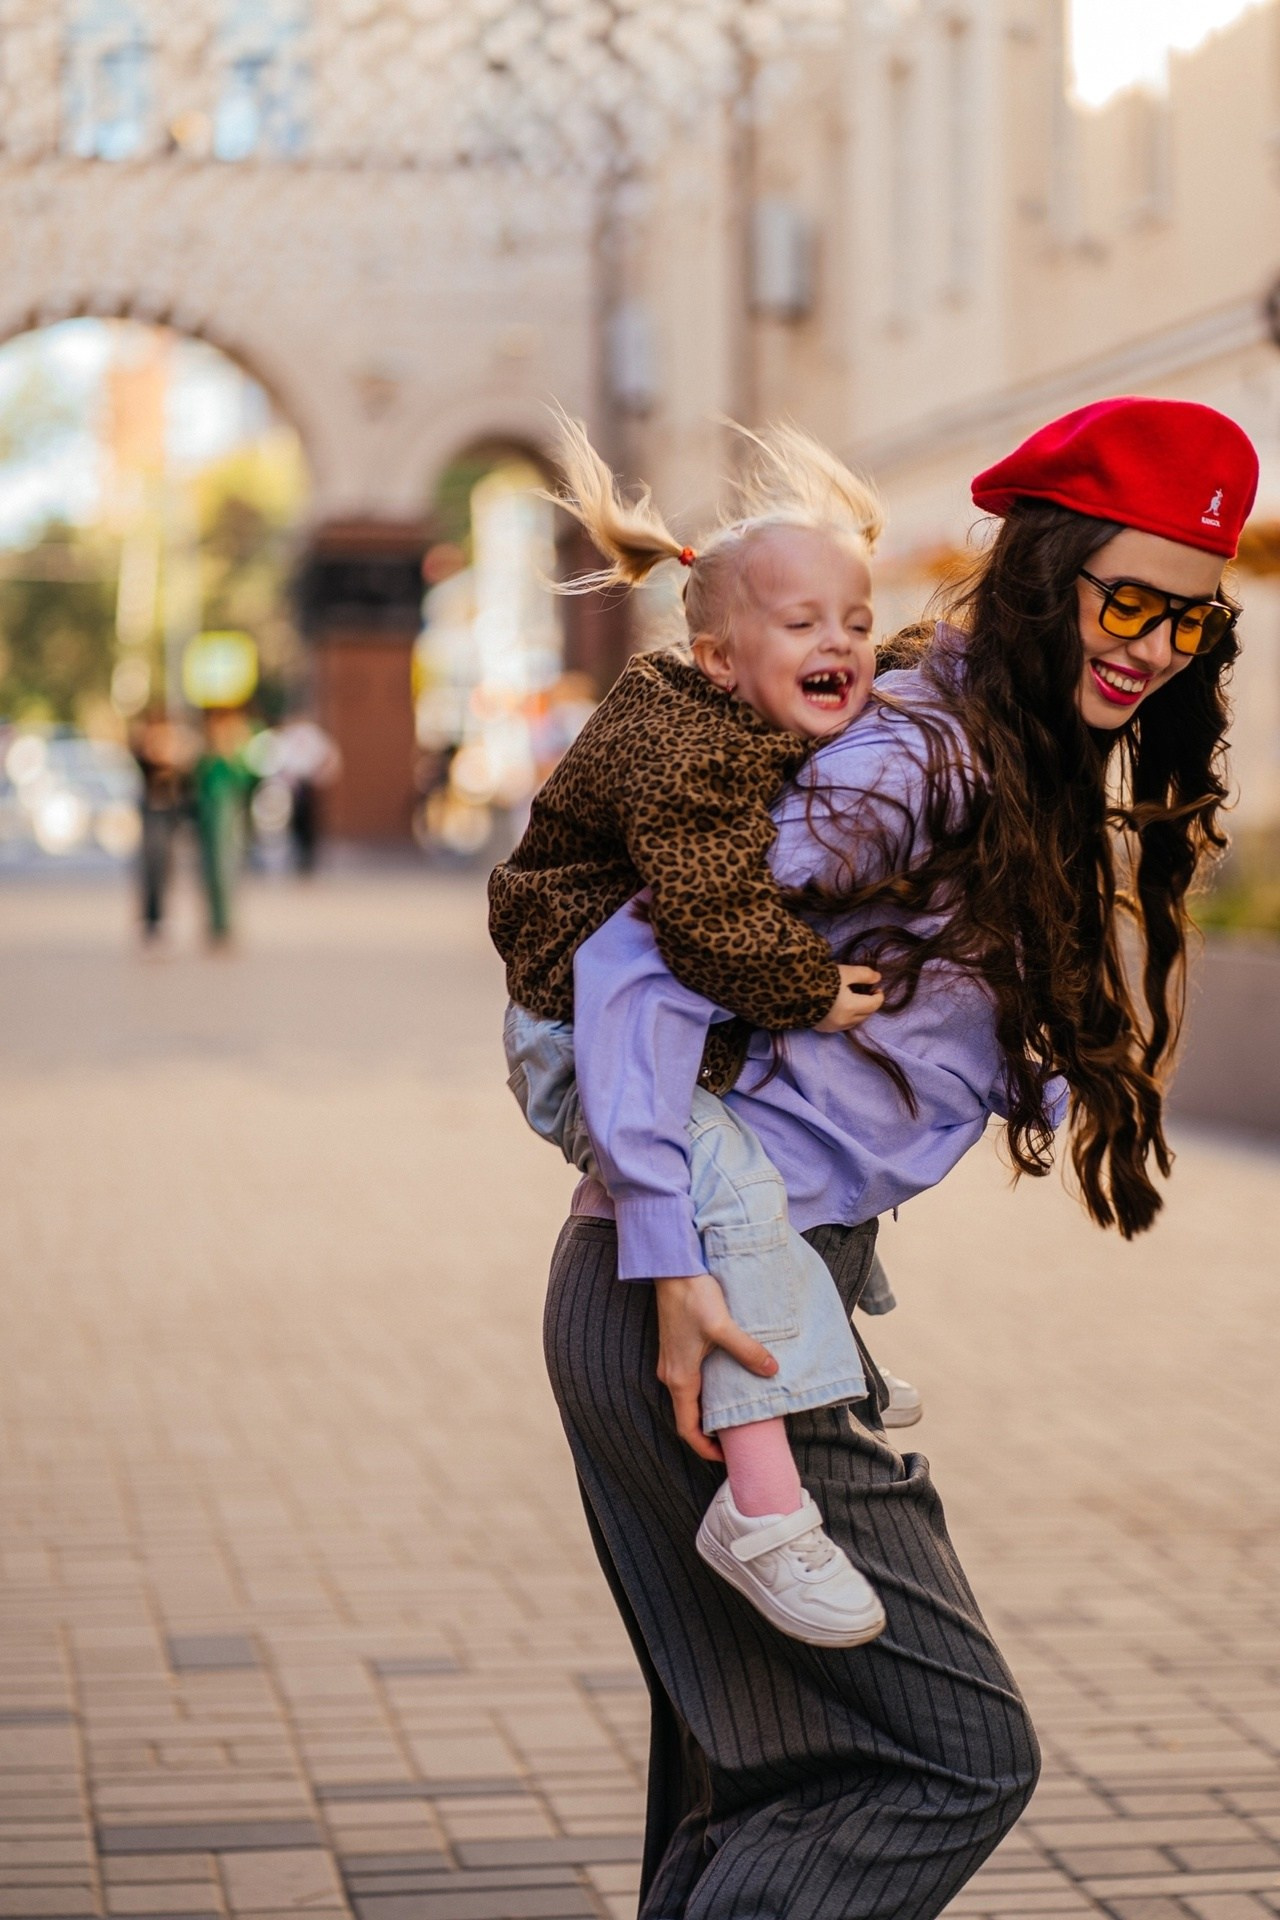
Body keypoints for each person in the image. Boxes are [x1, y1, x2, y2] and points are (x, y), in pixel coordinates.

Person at [543, 396, 1258, 1920]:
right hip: (695, 1308)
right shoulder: (913, 759)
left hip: (737, 1296)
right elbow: (636, 957)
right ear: (1045, 567)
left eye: (1192, 622)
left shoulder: (1007, 745)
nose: (1152, 645)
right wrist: (671, 1258)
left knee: (774, 1784)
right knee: (951, 1761)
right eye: (1126, 599)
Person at [492, 414, 897, 1647]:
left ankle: (824, 1344)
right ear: (720, 660)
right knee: (722, 1185)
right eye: (803, 625)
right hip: (575, 1026)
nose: (840, 644)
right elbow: (710, 921)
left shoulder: (739, 719)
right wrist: (812, 989)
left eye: (858, 624)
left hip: (647, 1020)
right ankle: (764, 1511)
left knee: (773, 1158)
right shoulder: (685, 752)